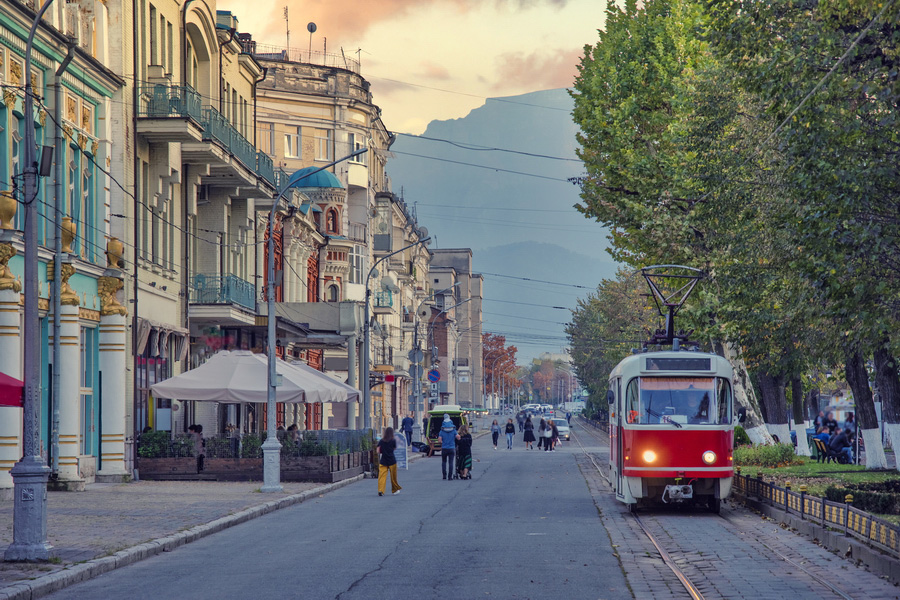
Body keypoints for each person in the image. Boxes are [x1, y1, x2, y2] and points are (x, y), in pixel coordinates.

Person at [376, 427, 402, 496]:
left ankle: (380, 490)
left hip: (383, 460)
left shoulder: (381, 441)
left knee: (382, 476)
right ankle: (395, 490)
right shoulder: (393, 440)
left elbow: (378, 451)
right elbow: (394, 448)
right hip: (392, 460)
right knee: (393, 477)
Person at [439, 414, 459, 480]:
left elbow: (439, 440)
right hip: (452, 448)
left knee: (444, 462)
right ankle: (450, 476)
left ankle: (444, 475)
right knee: (451, 462)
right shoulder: (453, 430)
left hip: (444, 448)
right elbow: (458, 437)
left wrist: (443, 442)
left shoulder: (441, 431)